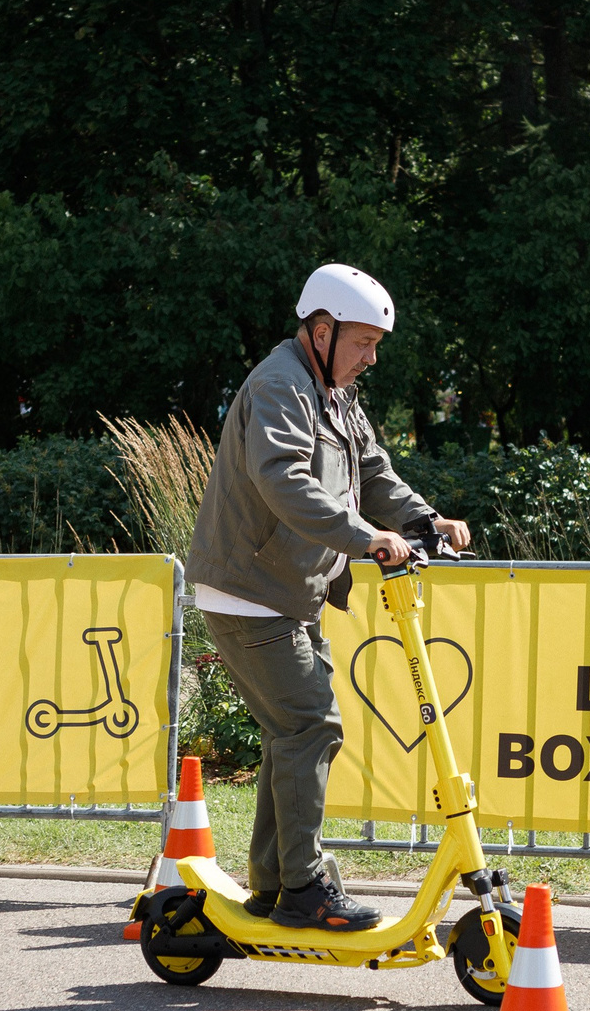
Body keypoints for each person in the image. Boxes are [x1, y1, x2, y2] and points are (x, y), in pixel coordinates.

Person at [185, 264, 470, 931]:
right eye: (362, 341)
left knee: (294, 730)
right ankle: (305, 887)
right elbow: (283, 480)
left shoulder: (333, 391)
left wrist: (426, 521)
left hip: (288, 592)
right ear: (321, 329)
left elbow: (371, 471)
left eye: (375, 344)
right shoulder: (281, 385)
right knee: (311, 725)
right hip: (250, 590)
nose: (371, 357)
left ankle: (274, 883)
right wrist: (369, 537)